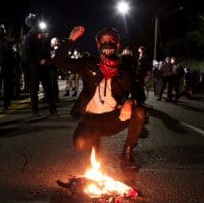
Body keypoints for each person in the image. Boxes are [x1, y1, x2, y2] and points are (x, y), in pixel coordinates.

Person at [53, 26, 146, 169]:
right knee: (80, 143)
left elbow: (139, 93)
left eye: (111, 40)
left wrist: (129, 101)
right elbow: (59, 61)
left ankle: (127, 153)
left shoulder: (124, 69)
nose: (107, 43)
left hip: (113, 119)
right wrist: (71, 39)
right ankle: (94, 142)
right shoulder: (89, 64)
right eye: (104, 40)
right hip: (90, 119)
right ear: (98, 44)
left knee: (139, 112)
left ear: (117, 44)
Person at [21, 13, 57, 116]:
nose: (36, 23)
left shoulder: (43, 35)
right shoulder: (28, 37)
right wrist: (38, 60)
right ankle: (35, 110)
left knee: (48, 88)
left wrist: (47, 59)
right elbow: (28, 53)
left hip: (44, 65)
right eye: (34, 21)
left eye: (36, 21)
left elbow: (47, 49)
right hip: (34, 66)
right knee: (35, 89)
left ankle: (52, 109)